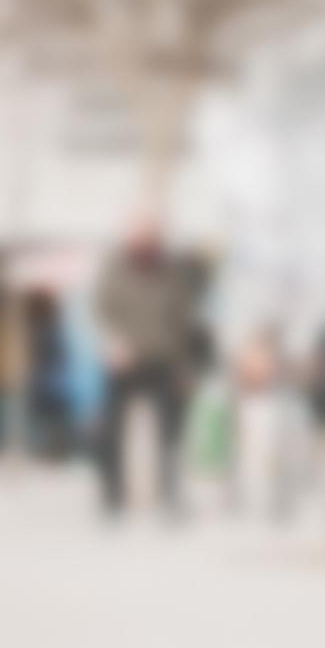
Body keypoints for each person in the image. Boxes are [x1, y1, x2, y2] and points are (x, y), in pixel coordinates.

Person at [94, 215, 203, 516]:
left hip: (164, 359)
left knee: (171, 431)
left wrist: (185, 366)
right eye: (141, 236)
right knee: (110, 430)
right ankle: (112, 496)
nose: (147, 243)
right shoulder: (115, 267)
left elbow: (184, 320)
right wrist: (113, 341)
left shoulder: (171, 271)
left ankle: (170, 494)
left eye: (153, 237)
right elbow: (102, 309)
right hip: (124, 360)